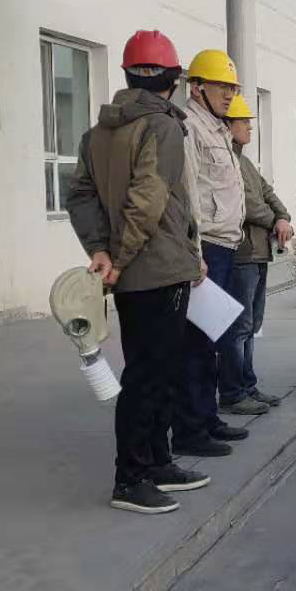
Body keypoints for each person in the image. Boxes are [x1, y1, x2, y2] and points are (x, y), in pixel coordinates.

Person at [66, 29, 209, 514]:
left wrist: (102, 251)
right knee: (150, 376)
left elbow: (81, 195)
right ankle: (130, 479)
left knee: (153, 369)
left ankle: (158, 462)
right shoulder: (162, 127)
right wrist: (121, 257)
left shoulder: (97, 134)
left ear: (128, 75)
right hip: (156, 269)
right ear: (173, 79)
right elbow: (149, 201)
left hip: (135, 270)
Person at [173, 49, 247, 456]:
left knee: (212, 339)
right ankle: (190, 430)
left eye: (232, 87)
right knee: (196, 342)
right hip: (207, 249)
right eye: (222, 87)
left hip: (225, 246)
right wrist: (194, 253)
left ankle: (207, 418)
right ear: (197, 87)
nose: (229, 94)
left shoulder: (217, 129)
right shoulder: (190, 128)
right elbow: (187, 196)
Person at [219, 93, 293, 416]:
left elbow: (267, 193)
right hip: (241, 254)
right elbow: (246, 204)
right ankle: (233, 392)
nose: (250, 128)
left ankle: (247, 385)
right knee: (239, 326)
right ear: (227, 125)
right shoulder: (226, 161)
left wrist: (283, 216)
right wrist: (275, 221)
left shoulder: (245, 162)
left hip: (258, 253)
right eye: (244, 122)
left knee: (252, 324)